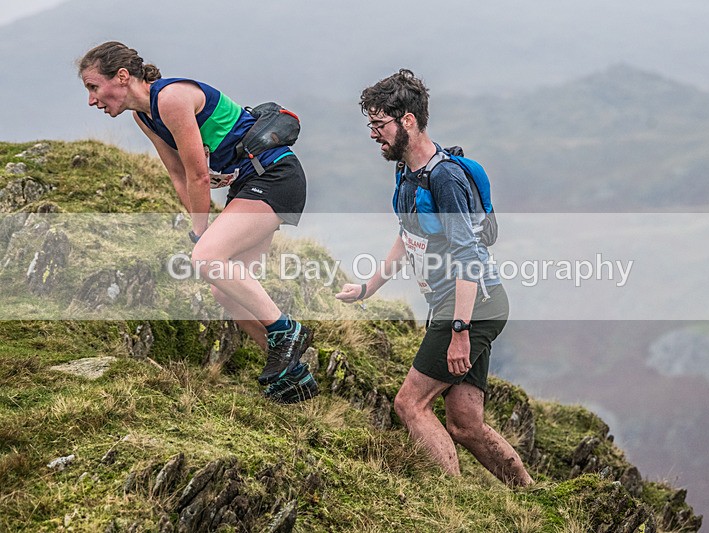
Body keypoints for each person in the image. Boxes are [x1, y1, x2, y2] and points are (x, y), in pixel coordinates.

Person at [78, 41, 317, 403]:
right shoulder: (144, 116)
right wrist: (201, 231)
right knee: (225, 289)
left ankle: (287, 331)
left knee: (207, 259)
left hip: (275, 176)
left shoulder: (171, 99)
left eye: (94, 87)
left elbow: (200, 176)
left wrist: (200, 234)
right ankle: (295, 379)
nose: (92, 100)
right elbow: (179, 175)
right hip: (249, 183)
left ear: (122, 77)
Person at [336, 69, 533, 487]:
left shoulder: (444, 178)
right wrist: (369, 287)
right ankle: (529, 496)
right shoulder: (406, 171)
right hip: (465, 305)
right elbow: (408, 237)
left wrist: (460, 329)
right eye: (370, 124)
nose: (373, 134)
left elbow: (468, 256)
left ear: (407, 119)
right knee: (464, 424)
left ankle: (450, 509)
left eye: (379, 124)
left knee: (410, 404)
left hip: (471, 305)